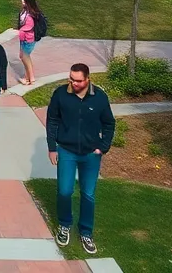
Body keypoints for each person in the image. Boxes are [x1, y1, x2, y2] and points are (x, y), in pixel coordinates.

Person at [46, 63, 116, 256]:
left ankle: (86, 232)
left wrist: (103, 147)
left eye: (77, 80)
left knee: (88, 194)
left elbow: (109, 123)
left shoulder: (100, 97)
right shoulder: (60, 94)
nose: (73, 83)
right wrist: (52, 148)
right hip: (67, 151)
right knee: (65, 191)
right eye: (71, 78)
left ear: (87, 80)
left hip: (91, 155)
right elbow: (52, 120)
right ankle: (64, 225)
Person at [18, 0, 45, 85]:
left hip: (28, 39)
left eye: (24, 2)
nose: (22, 3)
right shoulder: (26, 11)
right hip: (24, 39)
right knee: (23, 57)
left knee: (25, 58)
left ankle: (30, 78)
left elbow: (28, 27)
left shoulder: (31, 14)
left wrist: (20, 30)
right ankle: (28, 78)